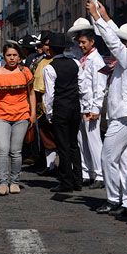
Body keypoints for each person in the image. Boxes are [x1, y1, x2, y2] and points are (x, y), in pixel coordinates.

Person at [86, 0, 127, 217]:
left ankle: (114, 199)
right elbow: (115, 40)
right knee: (125, 159)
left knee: (108, 156)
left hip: (124, 115)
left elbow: (114, 43)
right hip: (124, 114)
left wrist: (96, 17)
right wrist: (105, 17)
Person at [0, 43, 36, 196]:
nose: (12, 58)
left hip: (21, 115)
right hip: (1, 116)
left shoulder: (25, 72)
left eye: (14, 55)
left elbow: (31, 94)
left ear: (19, 57)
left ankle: (15, 181)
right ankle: (3, 182)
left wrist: (33, 113)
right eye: (9, 55)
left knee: (16, 151)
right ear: (4, 57)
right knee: (3, 150)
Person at [68, 20, 106, 190]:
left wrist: (95, 108)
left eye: (83, 42)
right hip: (82, 106)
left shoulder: (96, 61)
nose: (81, 45)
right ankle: (86, 172)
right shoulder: (84, 59)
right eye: (80, 42)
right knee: (82, 141)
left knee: (94, 141)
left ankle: (99, 174)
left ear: (92, 42)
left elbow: (99, 87)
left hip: (90, 108)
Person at [43, 33, 83, 193]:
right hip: (75, 106)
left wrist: (49, 113)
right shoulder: (75, 63)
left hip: (60, 108)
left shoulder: (50, 67)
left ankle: (66, 181)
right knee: (74, 144)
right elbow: (82, 85)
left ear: (51, 50)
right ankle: (78, 179)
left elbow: (50, 94)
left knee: (63, 145)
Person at [33, 33, 57, 175]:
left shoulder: (57, 62)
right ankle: (50, 165)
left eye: (49, 44)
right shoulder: (40, 61)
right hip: (40, 101)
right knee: (45, 135)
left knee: (58, 135)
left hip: (53, 101)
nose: (46, 47)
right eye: (45, 45)